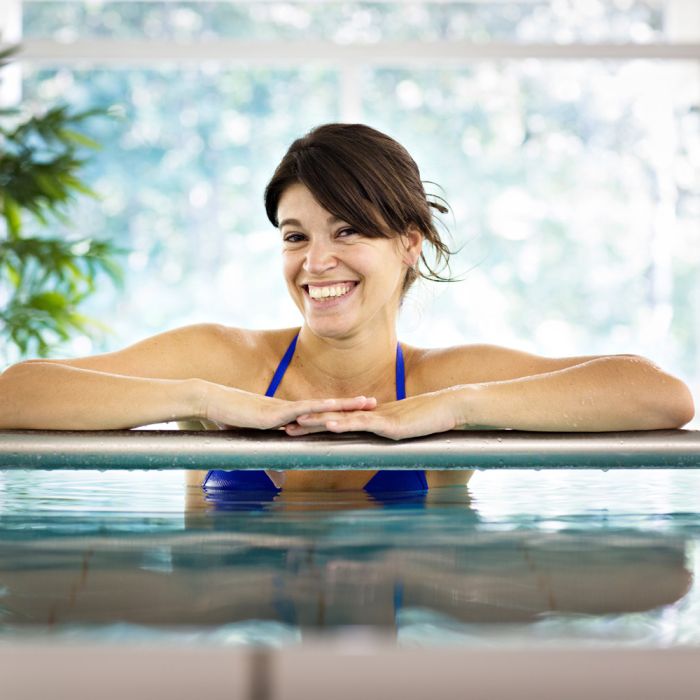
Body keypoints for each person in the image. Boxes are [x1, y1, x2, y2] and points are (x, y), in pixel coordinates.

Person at [0, 123, 694, 494]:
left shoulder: (442, 383)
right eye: (295, 237)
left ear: (408, 244)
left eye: (348, 232)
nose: (316, 262)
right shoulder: (222, 362)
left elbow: (658, 394)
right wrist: (197, 398)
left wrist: (452, 411)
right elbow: (16, 393)